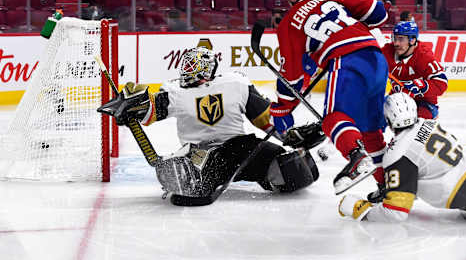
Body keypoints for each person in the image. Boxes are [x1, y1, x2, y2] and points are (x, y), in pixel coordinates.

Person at [98, 47, 320, 206]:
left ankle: (197, 177)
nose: (187, 70)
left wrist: (290, 137)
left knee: (295, 170)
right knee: (189, 189)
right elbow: (149, 111)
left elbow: (265, 119)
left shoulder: (236, 84)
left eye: (192, 67)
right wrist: (129, 106)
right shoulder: (175, 91)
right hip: (202, 153)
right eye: (186, 66)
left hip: (241, 150)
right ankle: (190, 177)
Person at [270, 0, 389, 196]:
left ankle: (357, 156)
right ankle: (388, 183)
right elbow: (378, 12)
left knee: (334, 117)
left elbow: (291, 76)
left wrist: (282, 110)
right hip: (376, 57)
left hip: (347, 60)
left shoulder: (288, 24)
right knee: (370, 130)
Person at [338, 92, 466, 222]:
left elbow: (395, 213)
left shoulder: (397, 155)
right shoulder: (427, 122)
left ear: (387, 119)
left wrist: (360, 210)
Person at [381, 20, 448, 120]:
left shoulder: (424, 56)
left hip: (424, 104)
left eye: (401, 39)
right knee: (373, 113)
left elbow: (442, 83)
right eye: (395, 38)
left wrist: (420, 86)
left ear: (412, 40)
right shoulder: (387, 52)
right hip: (397, 100)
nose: (396, 43)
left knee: (412, 121)